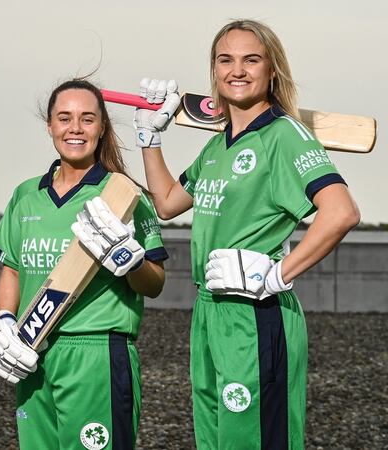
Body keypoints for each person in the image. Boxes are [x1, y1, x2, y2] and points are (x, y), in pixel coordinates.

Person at [132, 20, 360, 449]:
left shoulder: (284, 135)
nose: (237, 70)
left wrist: (277, 274)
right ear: (214, 71)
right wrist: (149, 137)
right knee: (217, 440)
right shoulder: (218, 145)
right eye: (226, 60)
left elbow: (341, 212)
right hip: (209, 311)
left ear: (272, 69)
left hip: (257, 314)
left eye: (251, 59)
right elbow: (165, 202)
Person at [0, 78, 168, 450]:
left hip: (96, 353)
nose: (75, 128)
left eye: (87, 119)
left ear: (101, 127)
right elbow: (12, 269)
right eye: (64, 118)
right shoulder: (26, 195)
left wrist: (131, 262)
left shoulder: (124, 195)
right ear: (50, 126)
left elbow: (156, 283)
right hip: (33, 350)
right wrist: (4, 318)